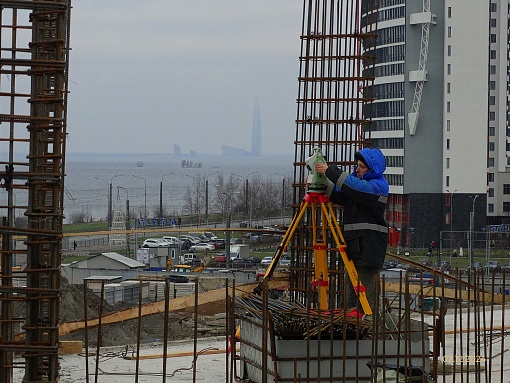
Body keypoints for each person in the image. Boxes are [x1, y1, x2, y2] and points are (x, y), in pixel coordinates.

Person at [315, 147, 388, 312]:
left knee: (367, 293)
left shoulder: (377, 186)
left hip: (369, 247)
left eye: (362, 166)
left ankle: (369, 324)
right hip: (355, 246)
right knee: (351, 295)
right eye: (358, 165)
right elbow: (340, 194)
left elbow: (354, 187)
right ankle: (352, 322)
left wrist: (330, 171)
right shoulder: (357, 186)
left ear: (372, 169)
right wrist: (322, 182)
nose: (357, 169)